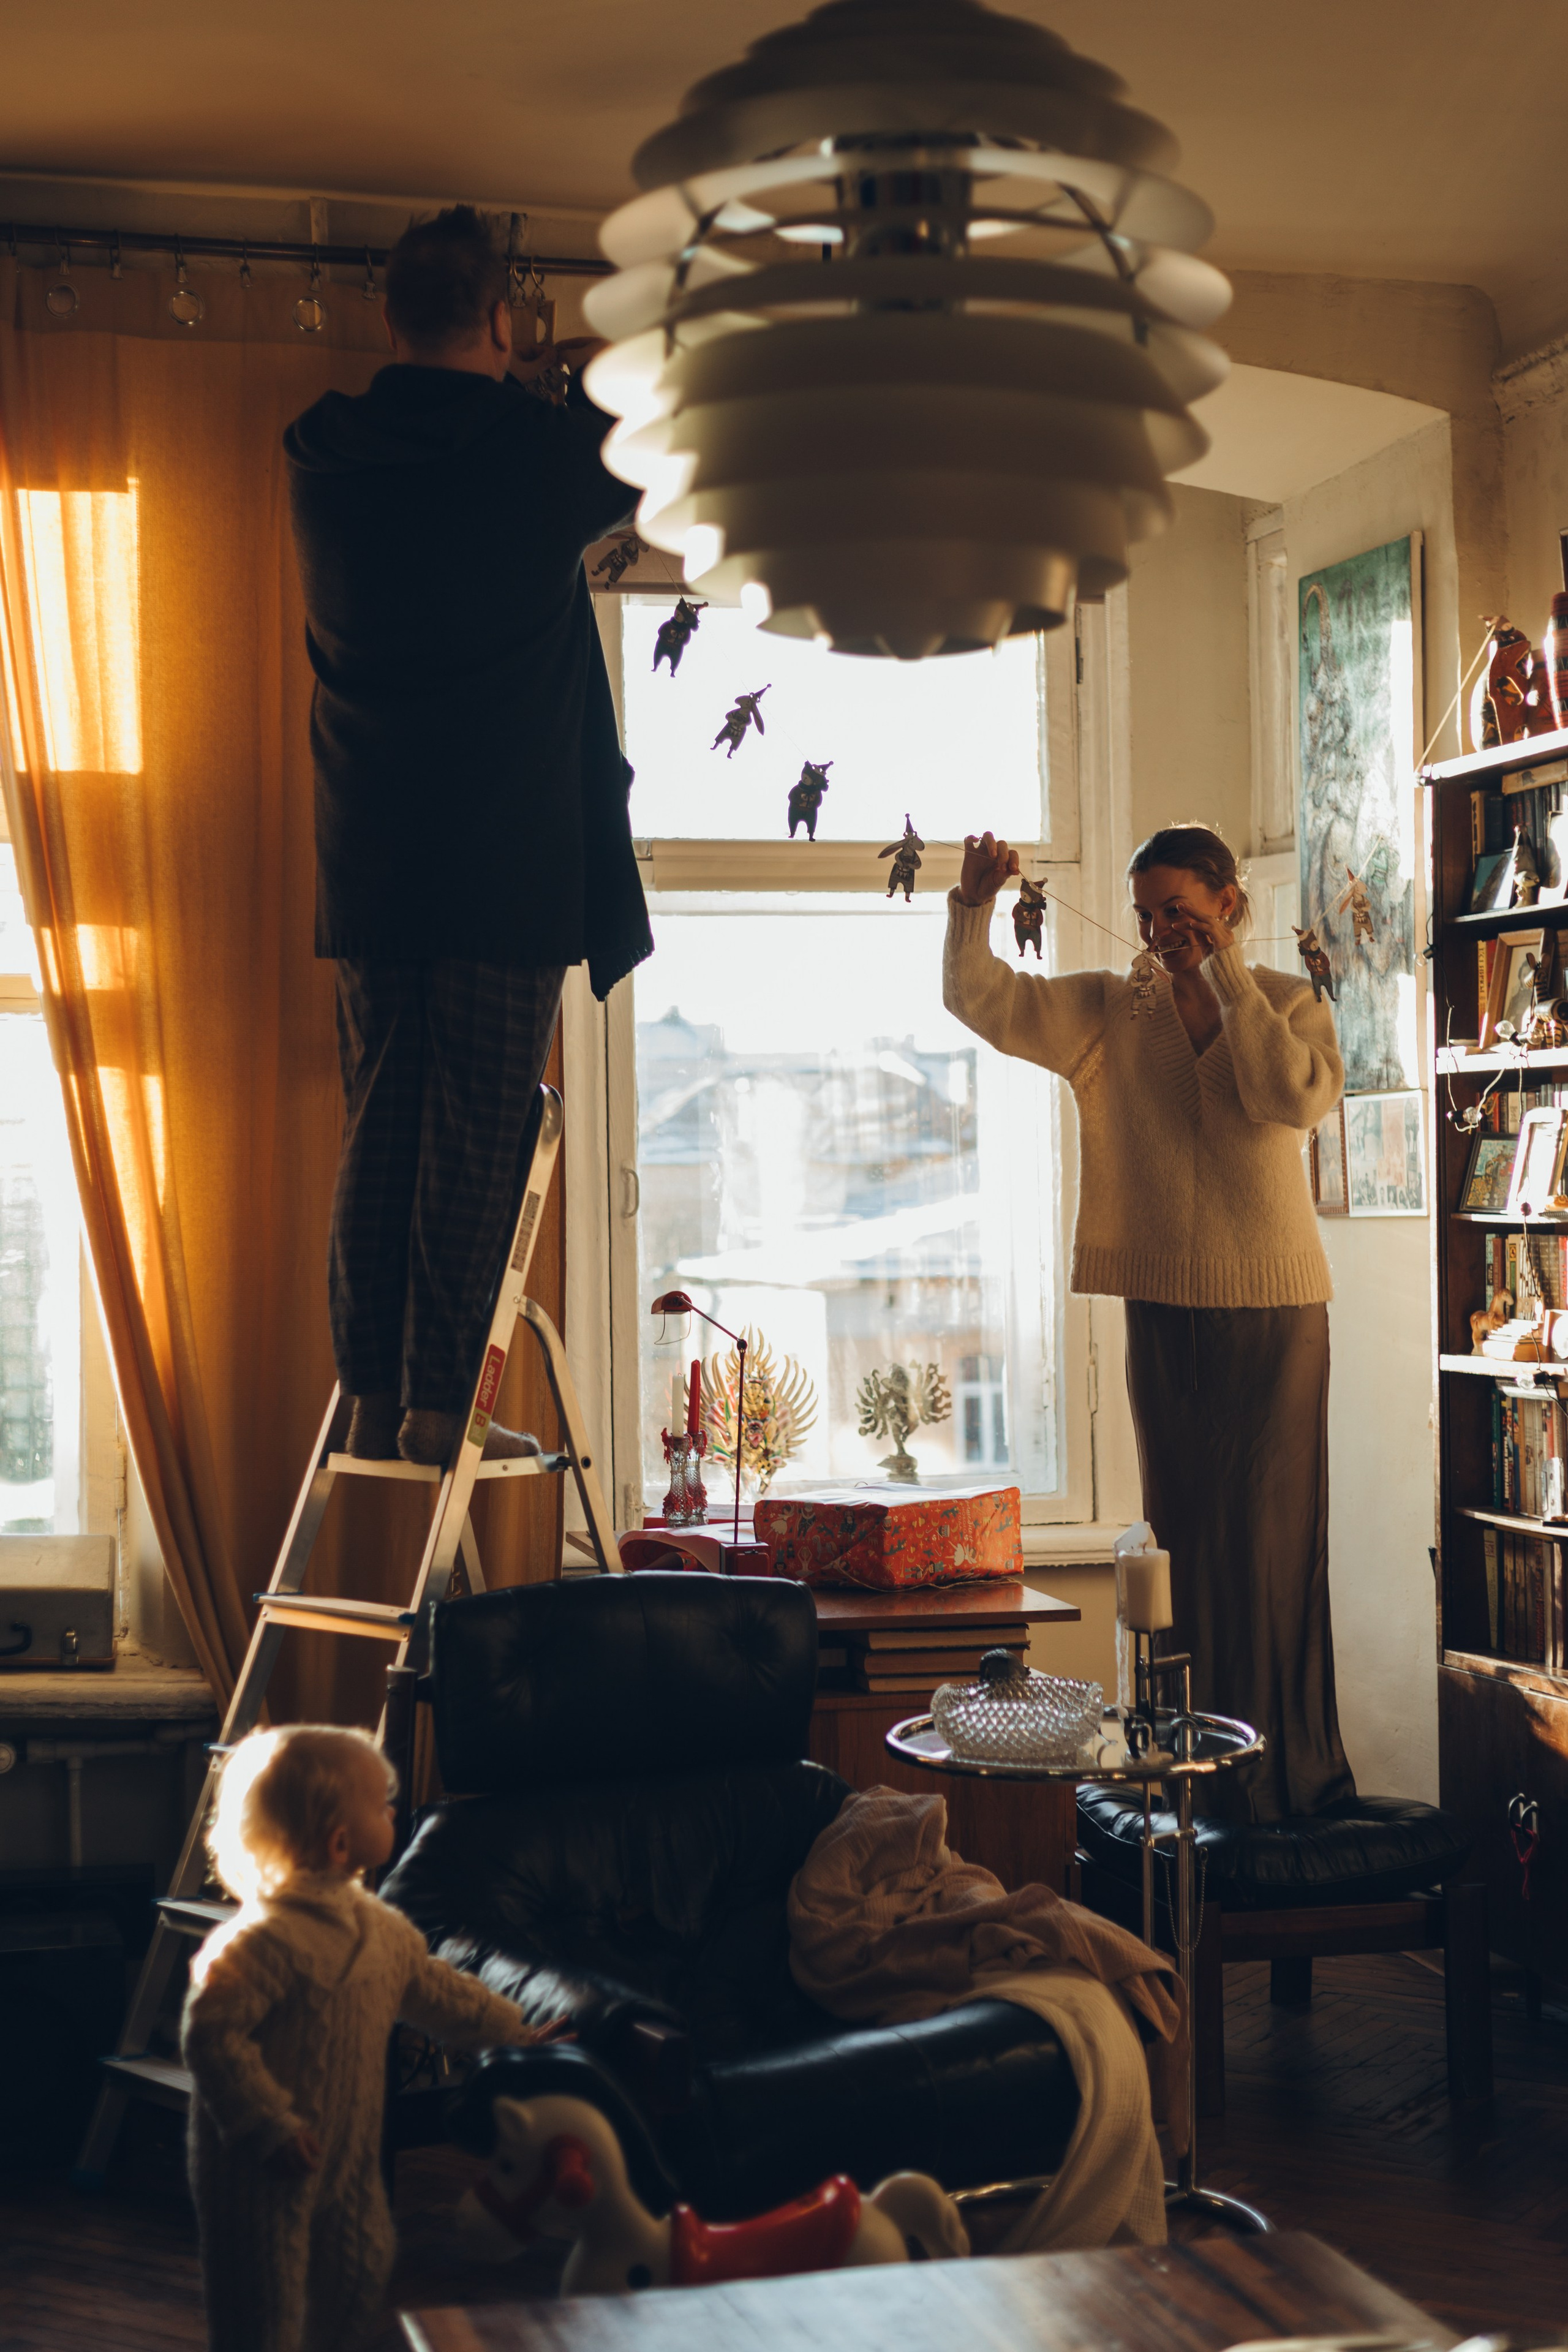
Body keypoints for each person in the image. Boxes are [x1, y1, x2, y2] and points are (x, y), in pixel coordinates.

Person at [284, 206, 652, 1466]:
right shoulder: (527, 455)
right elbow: (629, 441)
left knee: (381, 1124)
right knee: (476, 1132)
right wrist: (548, 373)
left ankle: (374, 1392)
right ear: (500, 320)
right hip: (502, 861)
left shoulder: (322, 452)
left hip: (372, 856)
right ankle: (445, 1402)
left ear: (387, 320)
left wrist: (512, 375)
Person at [944, 822, 1354, 1824]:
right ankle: (1199, 1773)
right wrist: (971, 905)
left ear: (1228, 902)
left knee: (1273, 1553)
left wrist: (1226, 982)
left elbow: (1287, 1098)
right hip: (1164, 1308)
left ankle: (1287, 1781)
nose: (1160, 930)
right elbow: (981, 1000)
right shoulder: (1107, 1010)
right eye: (1147, 914)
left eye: (1179, 909)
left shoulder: (1291, 1003)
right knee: (1186, 1551)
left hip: (1275, 1314)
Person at [182, 1724, 564, 2352]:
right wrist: (266, 2124)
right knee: (261, 2308)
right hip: (262, 2168)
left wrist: (516, 2036)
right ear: (338, 1842)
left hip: (349, 2158)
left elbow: (441, 1993)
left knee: (359, 2273)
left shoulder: (380, 1930)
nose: (395, 1809)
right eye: (382, 1802)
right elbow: (213, 2038)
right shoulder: (260, 1943)